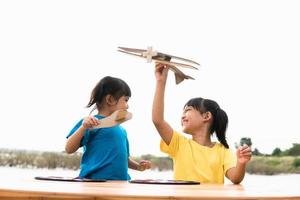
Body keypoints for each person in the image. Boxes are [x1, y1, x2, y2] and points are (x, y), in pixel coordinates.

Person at [152, 63, 251, 184]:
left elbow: (235, 178)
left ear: (206, 116)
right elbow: (158, 120)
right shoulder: (179, 143)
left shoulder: (222, 150)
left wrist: (241, 163)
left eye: (187, 110)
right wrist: (160, 82)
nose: (182, 115)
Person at [65, 76, 151, 180]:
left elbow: (124, 159)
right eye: (126, 100)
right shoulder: (90, 123)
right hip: (94, 183)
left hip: (120, 184)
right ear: (110, 99)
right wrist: (83, 128)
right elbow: (69, 149)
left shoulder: (121, 130)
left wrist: (138, 167)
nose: (127, 106)